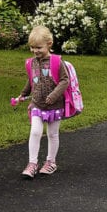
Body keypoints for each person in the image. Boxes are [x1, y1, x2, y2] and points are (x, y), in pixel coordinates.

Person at [14, 25, 69, 178]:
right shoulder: (32, 62)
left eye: (38, 47)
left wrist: (54, 95)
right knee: (35, 131)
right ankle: (32, 163)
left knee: (52, 134)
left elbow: (65, 81)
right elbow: (32, 81)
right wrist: (22, 95)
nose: (35, 51)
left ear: (49, 44)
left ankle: (51, 162)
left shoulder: (57, 61)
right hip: (37, 104)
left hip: (54, 105)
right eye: (32, 47)